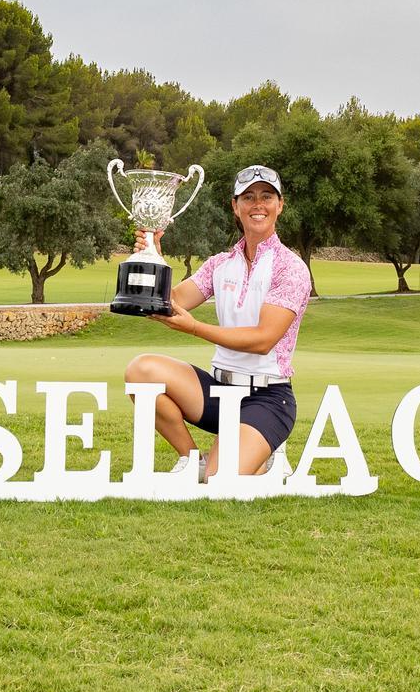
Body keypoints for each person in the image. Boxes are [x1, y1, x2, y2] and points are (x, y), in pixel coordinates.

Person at [124, 164, 312, 480]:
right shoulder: (220, 264)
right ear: (235, 207)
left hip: (266, 398)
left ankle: (268, 452)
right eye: (248, 197)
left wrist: (195, 328)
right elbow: (172, 303)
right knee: (140, 371)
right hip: (219, 391)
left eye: (267, 197)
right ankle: (192, 458)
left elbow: (263, 339)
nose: (258, 205)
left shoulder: (290, 268)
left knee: (218, 479)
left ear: (280, 205)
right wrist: (153, 256)